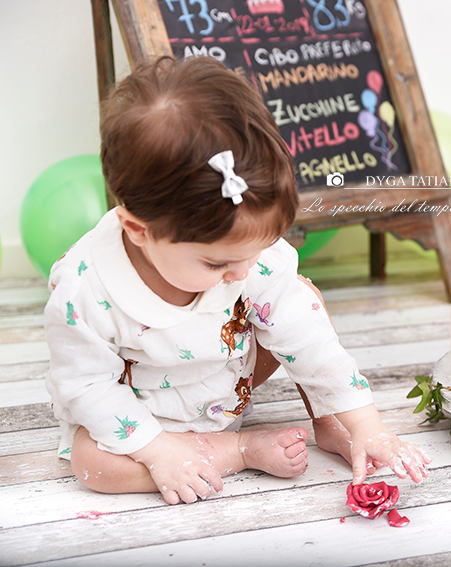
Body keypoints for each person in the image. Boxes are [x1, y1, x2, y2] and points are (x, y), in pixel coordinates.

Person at [44, 56, 429, 505]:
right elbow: (85, 386)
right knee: (94, 466)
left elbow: (306, 337)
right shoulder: (85, 290)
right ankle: (237, 449)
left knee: (303, 300)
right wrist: (156, 449)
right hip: (143, 409)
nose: (243, 271)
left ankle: (332, 421)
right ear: (138, 230)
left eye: (256, 251)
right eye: (218, 264)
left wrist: (368, 424)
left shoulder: (245, 255)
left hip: (227, 374)